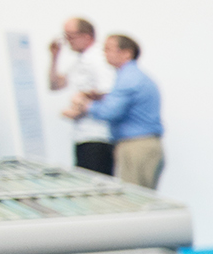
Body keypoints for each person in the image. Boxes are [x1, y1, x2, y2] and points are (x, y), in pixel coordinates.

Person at [69, 34, 163, 189]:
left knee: (134, 200)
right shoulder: (132, 76)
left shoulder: (128, 78)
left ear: (126, 53)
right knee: (139, 197)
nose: (104, 53)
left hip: (136, 146)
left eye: (109, 49)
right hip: (141, 144)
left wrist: (84, 105)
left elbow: (110, 112)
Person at [47, 17, 115, 175]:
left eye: (70, 36)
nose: (67, 41)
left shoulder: (98, 59)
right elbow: (55, 85)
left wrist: (79, 105)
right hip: (83, 135)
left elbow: (108, 91)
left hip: (98, 136)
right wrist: (54, 57)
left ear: (86, 36)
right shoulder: (80, 60)